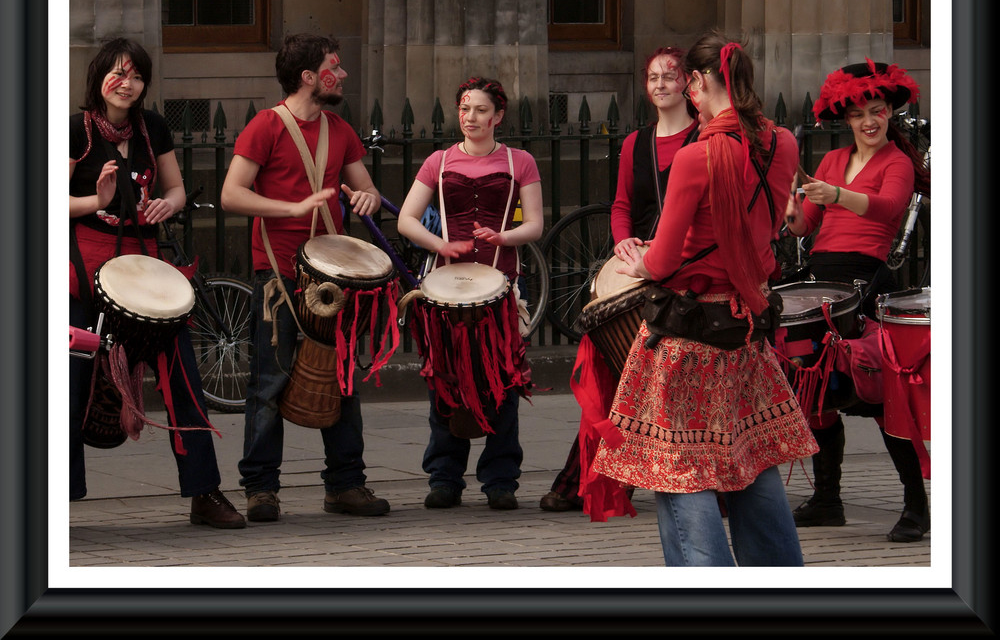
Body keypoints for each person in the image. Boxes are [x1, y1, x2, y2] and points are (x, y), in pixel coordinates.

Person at [587, 31, 818, 566]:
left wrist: (637, 260)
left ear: (694, 83)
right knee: (752, 459)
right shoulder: (781, 142)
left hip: (689, 333)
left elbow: (662, 262)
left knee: (680, 470)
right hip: (746, 329)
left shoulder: (695, 157)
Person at [70, 37, 245, 528]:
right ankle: (55, 500)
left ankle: (205, 493)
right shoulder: (75, 132)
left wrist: (171, 202)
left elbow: (174, 188)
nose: (127, 83)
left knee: (184, 380)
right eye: (118, 73)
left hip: (147, 277)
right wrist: (95, 198)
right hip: (86, 277)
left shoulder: (152, 128)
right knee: (67, 387)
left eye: (137, 75)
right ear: (100, 76)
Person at [220, 33, 390, 522]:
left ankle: (345, 484)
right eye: (334, 66)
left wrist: (367, 199)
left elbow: (368, 189)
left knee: (341, 379)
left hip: (331, 276)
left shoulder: (340, 130)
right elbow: (233, 195)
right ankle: (260, 488)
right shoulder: (265, 126)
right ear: (309, 76)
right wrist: (291, 207)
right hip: (277, 274)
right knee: (269, 382)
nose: (343, 74)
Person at [540, 47, 699, 512]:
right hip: (639, 269)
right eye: (653, 77)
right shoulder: (635, 142)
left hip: (687, 269)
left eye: (670, 75)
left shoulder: (707, 137)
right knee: (613, 375)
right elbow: (622, 205)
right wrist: (623, 242)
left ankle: (687, 477)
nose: (661, 84)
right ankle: (587, 478)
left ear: (689, 83)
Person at [783, 59, 931, 543]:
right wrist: (791, 210)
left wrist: (838, 194)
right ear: (846, 119)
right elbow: (806, 226)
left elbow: (888, 208)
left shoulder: (898, 162)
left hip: (867, 283)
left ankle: (917, 505)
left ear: (889, 113)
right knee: (818, 388)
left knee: (887, 399)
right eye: (860, 114)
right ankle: (828, 498)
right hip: (822, 279)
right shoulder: (828, 162)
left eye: (878, 110)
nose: (870, 120)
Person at [396, 77, 543, 511]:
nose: (470, 117)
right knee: (446, 380)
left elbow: (535, 224)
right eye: (464, 109)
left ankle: (501, 480)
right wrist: (441, 244)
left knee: (502, 380)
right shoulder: (437, 162)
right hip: (446, 288)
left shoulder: (521, 162)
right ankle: (444, 477)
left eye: (480, 110)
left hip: (501, 286)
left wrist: (503, 236)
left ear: (498, 116)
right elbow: (407, 218)